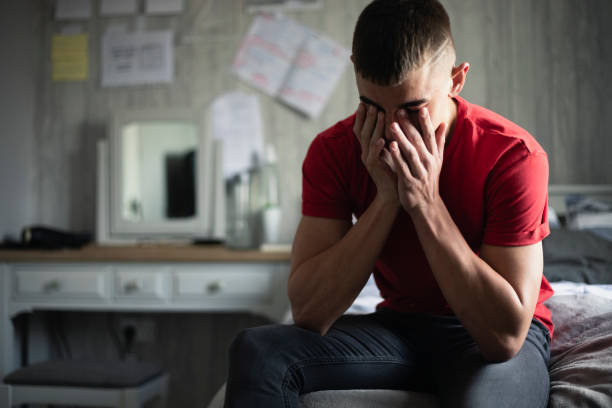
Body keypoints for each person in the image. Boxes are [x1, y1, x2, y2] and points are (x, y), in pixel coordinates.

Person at [224, 0, 553, 407]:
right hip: (402, 330)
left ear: (456, 81)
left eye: (413, 109)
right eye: (373, 108)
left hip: (489, 339)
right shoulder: (333, 152)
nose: (392, 130)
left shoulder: (513, 156)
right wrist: (385, 200)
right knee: (257, 350)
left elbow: (503, 338)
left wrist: (425, 203)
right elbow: (309, 311)